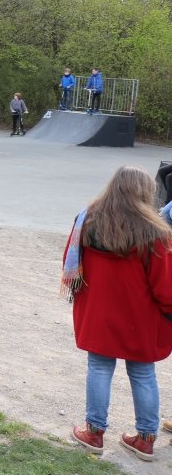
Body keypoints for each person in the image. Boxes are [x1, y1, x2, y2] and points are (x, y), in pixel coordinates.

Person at [65, 166, 172, 462]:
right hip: (141, 319)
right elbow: (165, 288)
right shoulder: (157, 232)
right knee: (143, 372)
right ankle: (146, 440)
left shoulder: (86, 220)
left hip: (99, 314)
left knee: (99, 368)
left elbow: (70, 265)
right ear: (145, 192)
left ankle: (94, 434)